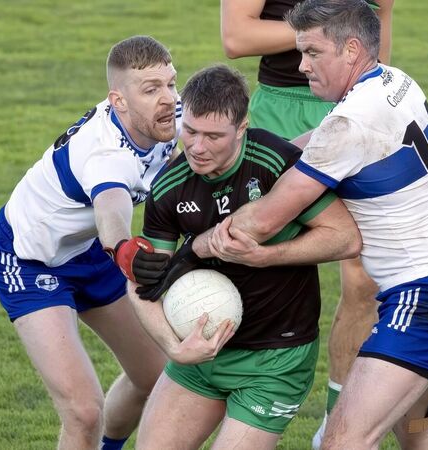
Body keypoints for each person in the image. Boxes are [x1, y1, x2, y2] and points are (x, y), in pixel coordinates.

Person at [195, 1, 428, 448]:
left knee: (341, 441)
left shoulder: (349, 123)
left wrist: (196, 246)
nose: (302, 66)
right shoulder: (396, 81)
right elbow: (308, 146)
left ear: (352, 49)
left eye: (312, 53)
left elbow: (262, 220)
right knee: (417, 430)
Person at [125, 64, 362, 450]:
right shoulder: (169, 187)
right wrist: (174, 347)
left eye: (213, 136)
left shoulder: (276, 162)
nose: (197, 148)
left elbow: (345, 238)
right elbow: (143, 284)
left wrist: (265, 256)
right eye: (191, 131)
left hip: (275, 358)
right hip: (202, 354)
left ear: (242, 127)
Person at [0, 36, 181, 450]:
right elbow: (111, 209)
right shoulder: (103, 154)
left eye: (170, 83)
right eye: (151, 89)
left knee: (157, 377)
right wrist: (123, 248)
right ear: (118, 101)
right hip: (28, 259)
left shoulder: (167, 116)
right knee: (84, 412)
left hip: (88, 249)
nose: (167, 99)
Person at [220, 3, 394, 446]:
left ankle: (338, 425)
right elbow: (236, 37)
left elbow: (379, 31)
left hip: (354, 103)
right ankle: (224, 397)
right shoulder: (317, 42)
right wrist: (325, 35)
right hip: (282, 110)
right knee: (247, 262)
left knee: (366, 277)